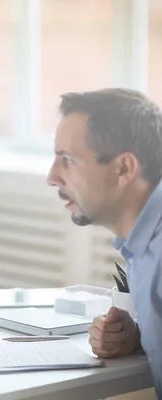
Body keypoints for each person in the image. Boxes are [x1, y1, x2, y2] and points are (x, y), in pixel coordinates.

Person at [47, 88, 162, 396]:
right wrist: (140, 333)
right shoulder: (143, 240)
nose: (53, 177)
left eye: (67, 160)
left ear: (124, 168)